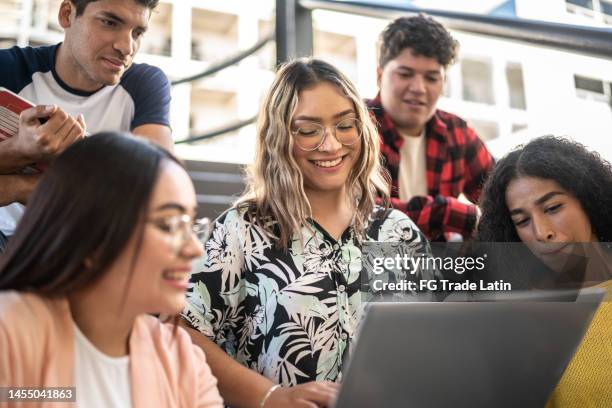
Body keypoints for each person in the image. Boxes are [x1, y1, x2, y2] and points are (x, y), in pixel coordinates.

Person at [181, 58, 432, 408]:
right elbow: (186, 332)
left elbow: (435, 342)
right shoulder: (242, 228)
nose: (330, 146)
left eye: (345, 125)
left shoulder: (400, 233)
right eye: (309, 130)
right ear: (279, 136)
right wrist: (269, 398)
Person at [0, 133, 223, 408]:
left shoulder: (180, 358)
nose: (194, 249)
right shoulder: (10, 335)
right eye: (169, 224)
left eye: (192, 225)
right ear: (91, 236)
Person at [0, 0, 172, 245]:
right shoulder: (8, 69)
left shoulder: (145, 83)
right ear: (67, 14)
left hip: (91, 244)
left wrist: (18, 187)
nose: (127, 47)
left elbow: (161, 191)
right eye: (110, 22)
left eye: (138, 32)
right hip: (9, 240)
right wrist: (20, 150)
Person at [477, 136, 612, 408]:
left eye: (553, 208)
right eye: (522, 221)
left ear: (588, 199)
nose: (542, 232)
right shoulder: (524, 318)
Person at [367, 14, 494, 241]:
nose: (419, 88)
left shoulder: (457, 132)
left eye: (432, 78)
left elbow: (501, 196)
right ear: (379, 75)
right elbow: (359, 212)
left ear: (443, 83)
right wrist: (447, 212)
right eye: (405, 74)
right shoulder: (353, 128)